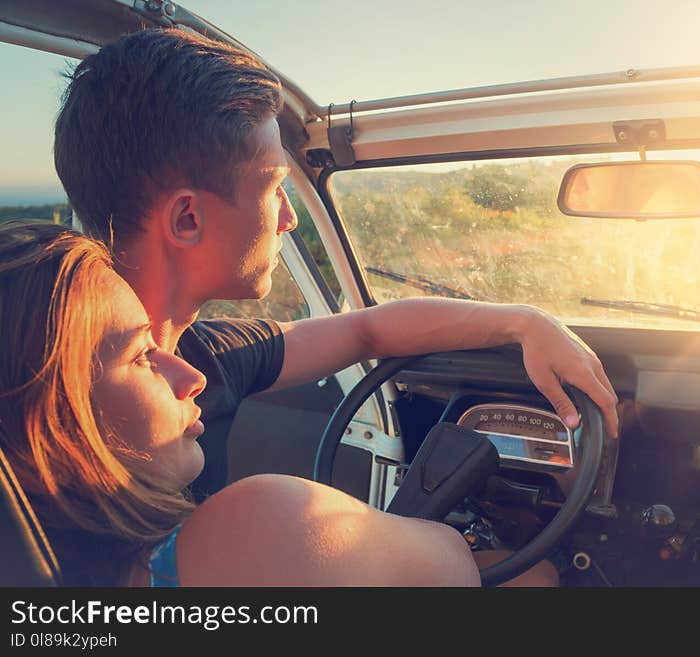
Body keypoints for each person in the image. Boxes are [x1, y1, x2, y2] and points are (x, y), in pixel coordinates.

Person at [52, 28, 619, 503]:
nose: (288, 219)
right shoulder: (46, 417)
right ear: (187, 220)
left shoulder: (203, 355)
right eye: (275, 189)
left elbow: (365, 328)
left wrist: (525, 322)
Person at [0, 221, 489, 586]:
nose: (192, 378)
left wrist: (519, 323)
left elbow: (362, 330)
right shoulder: (254, 532)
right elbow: (455, 566)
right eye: (141, 357)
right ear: (44, 422)